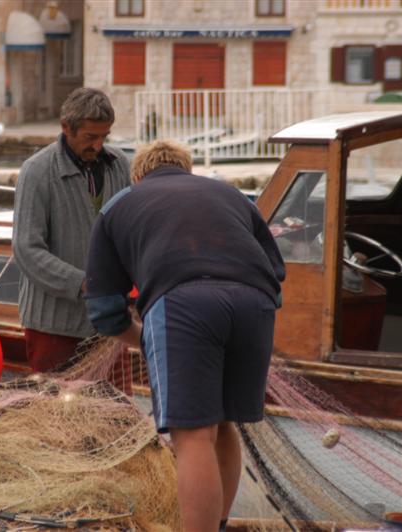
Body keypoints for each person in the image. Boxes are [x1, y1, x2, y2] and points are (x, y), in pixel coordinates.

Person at [84, 140, 285, 532]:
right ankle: (220, 525)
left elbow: (104, 310)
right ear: (189, 171)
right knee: (225, 423)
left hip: (184, 303)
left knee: (193, 436)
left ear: (137, 177)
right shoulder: (232, 196)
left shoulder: (119, 205)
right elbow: (275, 271)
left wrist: (143, 337)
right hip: (255, 305)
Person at [12, 87, 131, 372]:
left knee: (115, 413)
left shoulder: (120, 165)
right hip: (53, 327)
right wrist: (83, 283)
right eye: (90, 137)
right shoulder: (36, 171)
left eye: (105, 136)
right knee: (56, 413)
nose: (99, 145)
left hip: (111, 323)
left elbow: (129, 233)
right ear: (66, 127)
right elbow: (26, 249)